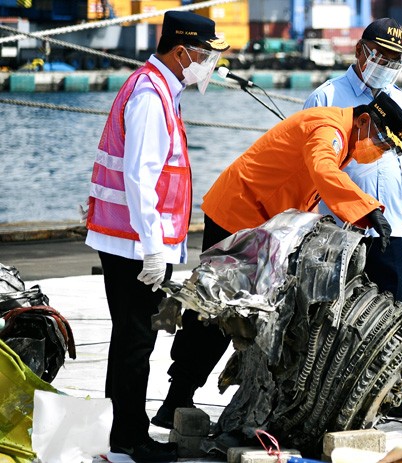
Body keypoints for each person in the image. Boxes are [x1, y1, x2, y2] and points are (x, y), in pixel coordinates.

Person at [151, 93, 402, 428]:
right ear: (364, 121)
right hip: (239, 212)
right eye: (380, 140)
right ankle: (176, 400)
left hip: (263, 223)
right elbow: (322, 169)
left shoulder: (345, 138)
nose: (378, 149)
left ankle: (197, 398)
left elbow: (307, 189)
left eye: (386, 147)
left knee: (249, 311)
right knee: (218, 308)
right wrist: (368, 209)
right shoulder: (329, 128)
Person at [84, 10, 228, 463]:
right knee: (136, 341)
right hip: (133, 244)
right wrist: (152, 248)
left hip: (132, 239)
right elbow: (139, 177)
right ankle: (130, 438)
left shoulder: (161, 88)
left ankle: (123, 430)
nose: (209, 65)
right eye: (205, 56)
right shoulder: (150, 94)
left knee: (131, 338)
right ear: (182, 52)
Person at [302, 17, 402, 419]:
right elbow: (312, 167)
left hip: (388, 225)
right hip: (340, 229)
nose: (389, 65)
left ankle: (391, 393)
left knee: (393, 310)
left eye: (397, 60)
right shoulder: (328, 97)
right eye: (384, 56)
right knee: (338, 317)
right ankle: (337, 398)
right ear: (361, 52)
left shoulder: (400, 100)